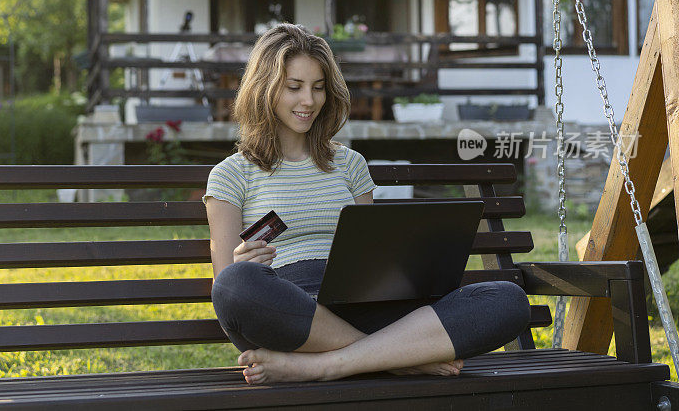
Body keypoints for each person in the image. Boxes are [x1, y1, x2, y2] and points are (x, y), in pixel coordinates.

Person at [203, 23, 531, 385]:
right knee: (236, 285)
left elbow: (370, 250)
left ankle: (325, 365)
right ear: (263, 89)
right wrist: (241, 262)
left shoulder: (349, 164)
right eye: (294, 87)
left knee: (507, 298)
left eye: (318, 88)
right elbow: (224, 284)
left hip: (363, 304)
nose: (309, 101)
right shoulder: (231, 174)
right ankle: (395, 357)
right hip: (290, 312)